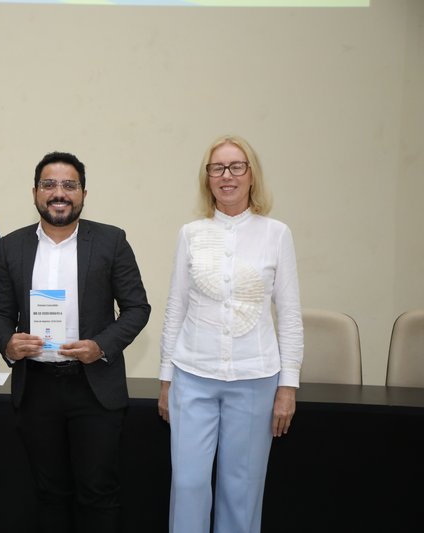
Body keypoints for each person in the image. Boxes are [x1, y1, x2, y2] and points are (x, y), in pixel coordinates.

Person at [0, 151, 151, 533]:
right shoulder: (12, 246)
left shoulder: (111, 241)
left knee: (98, 493)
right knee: (49, 494)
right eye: (49, 185)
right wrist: (8, 344)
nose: (58, 193)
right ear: (35, 192)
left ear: (83, 193)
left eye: (68, 185)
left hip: (93, 388)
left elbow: (136, 308)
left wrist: (101, 346)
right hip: (36, 389)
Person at [158, 134, 303, 533]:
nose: (227, 176)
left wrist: (288, 386)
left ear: (252, 175)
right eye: (217, 168)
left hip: (256, 379)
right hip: (192, 376)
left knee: (242, 490)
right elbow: (176, 307)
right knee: (188, 485)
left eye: (236, 166)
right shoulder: (191, 233)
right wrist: (166, 379)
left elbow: (289, 315)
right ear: (207, 178)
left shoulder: (277, 234)